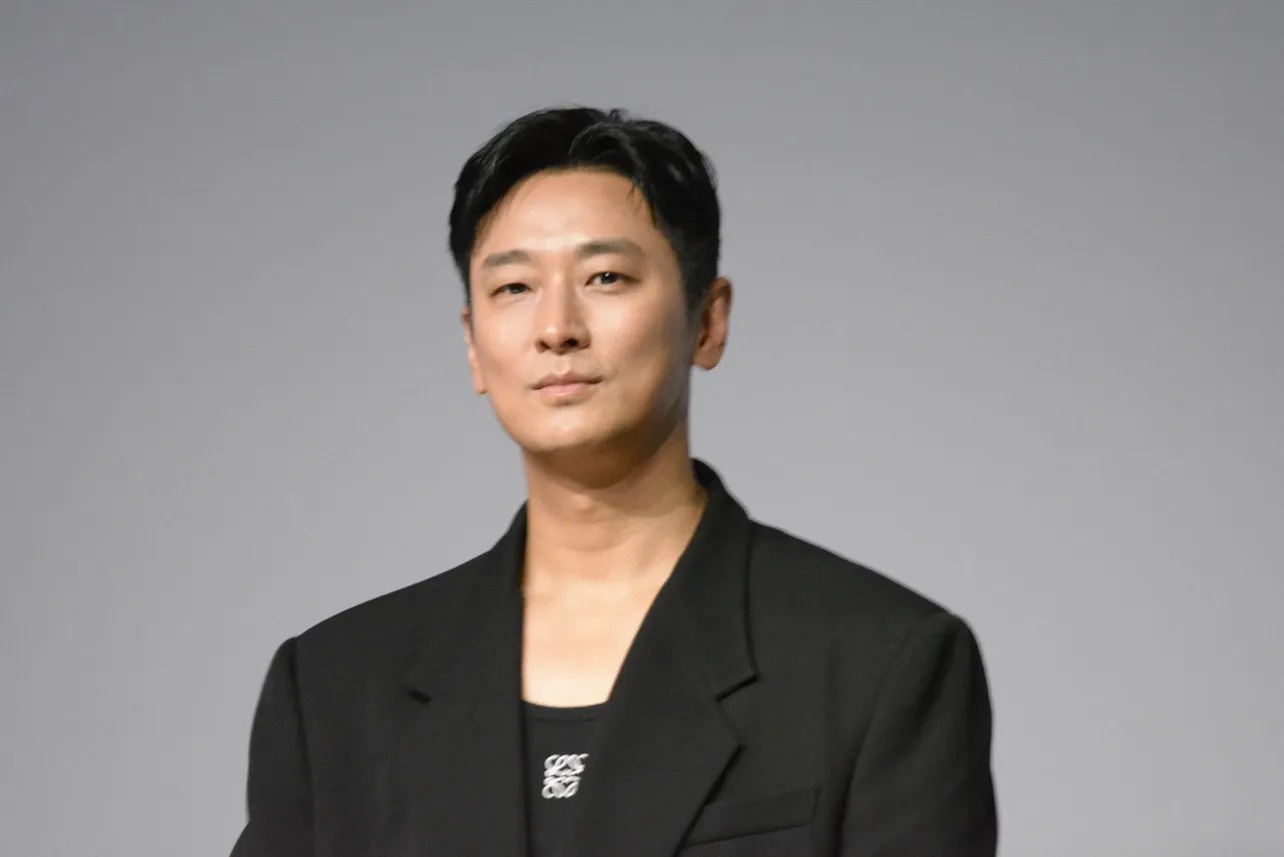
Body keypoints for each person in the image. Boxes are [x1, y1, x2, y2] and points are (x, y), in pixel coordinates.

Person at [229, 106, 998, 857]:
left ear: (708, 321)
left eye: (605, 276)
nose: (556, 328)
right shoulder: (333, 687)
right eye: (514, 287)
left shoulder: (877, 662)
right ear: (472, 344)